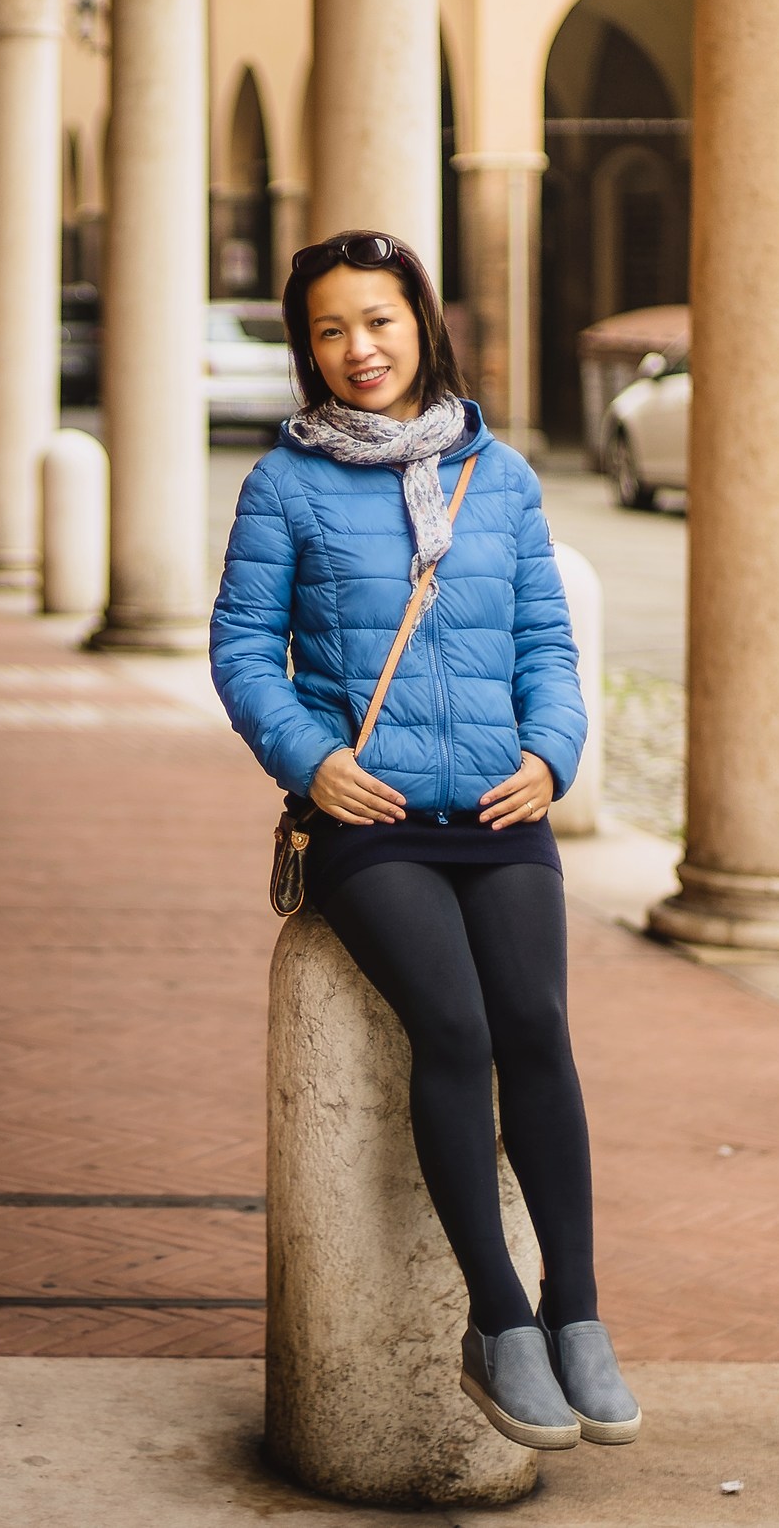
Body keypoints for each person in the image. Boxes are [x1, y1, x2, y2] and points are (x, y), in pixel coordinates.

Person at [210, 230, 640, 1451]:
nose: (360, 349)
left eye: (381, 322)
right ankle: (497, 1323)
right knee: (452, 1023)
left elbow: (546, 639)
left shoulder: (497, 473)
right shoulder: (284, 485)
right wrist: (314, 764)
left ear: (423, 323)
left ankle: (580, 1314)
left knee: (538, 1027)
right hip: (375, 819)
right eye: (332, 329)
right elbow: (243, 651)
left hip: (498, 809)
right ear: (307, 346)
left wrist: (548, 755)